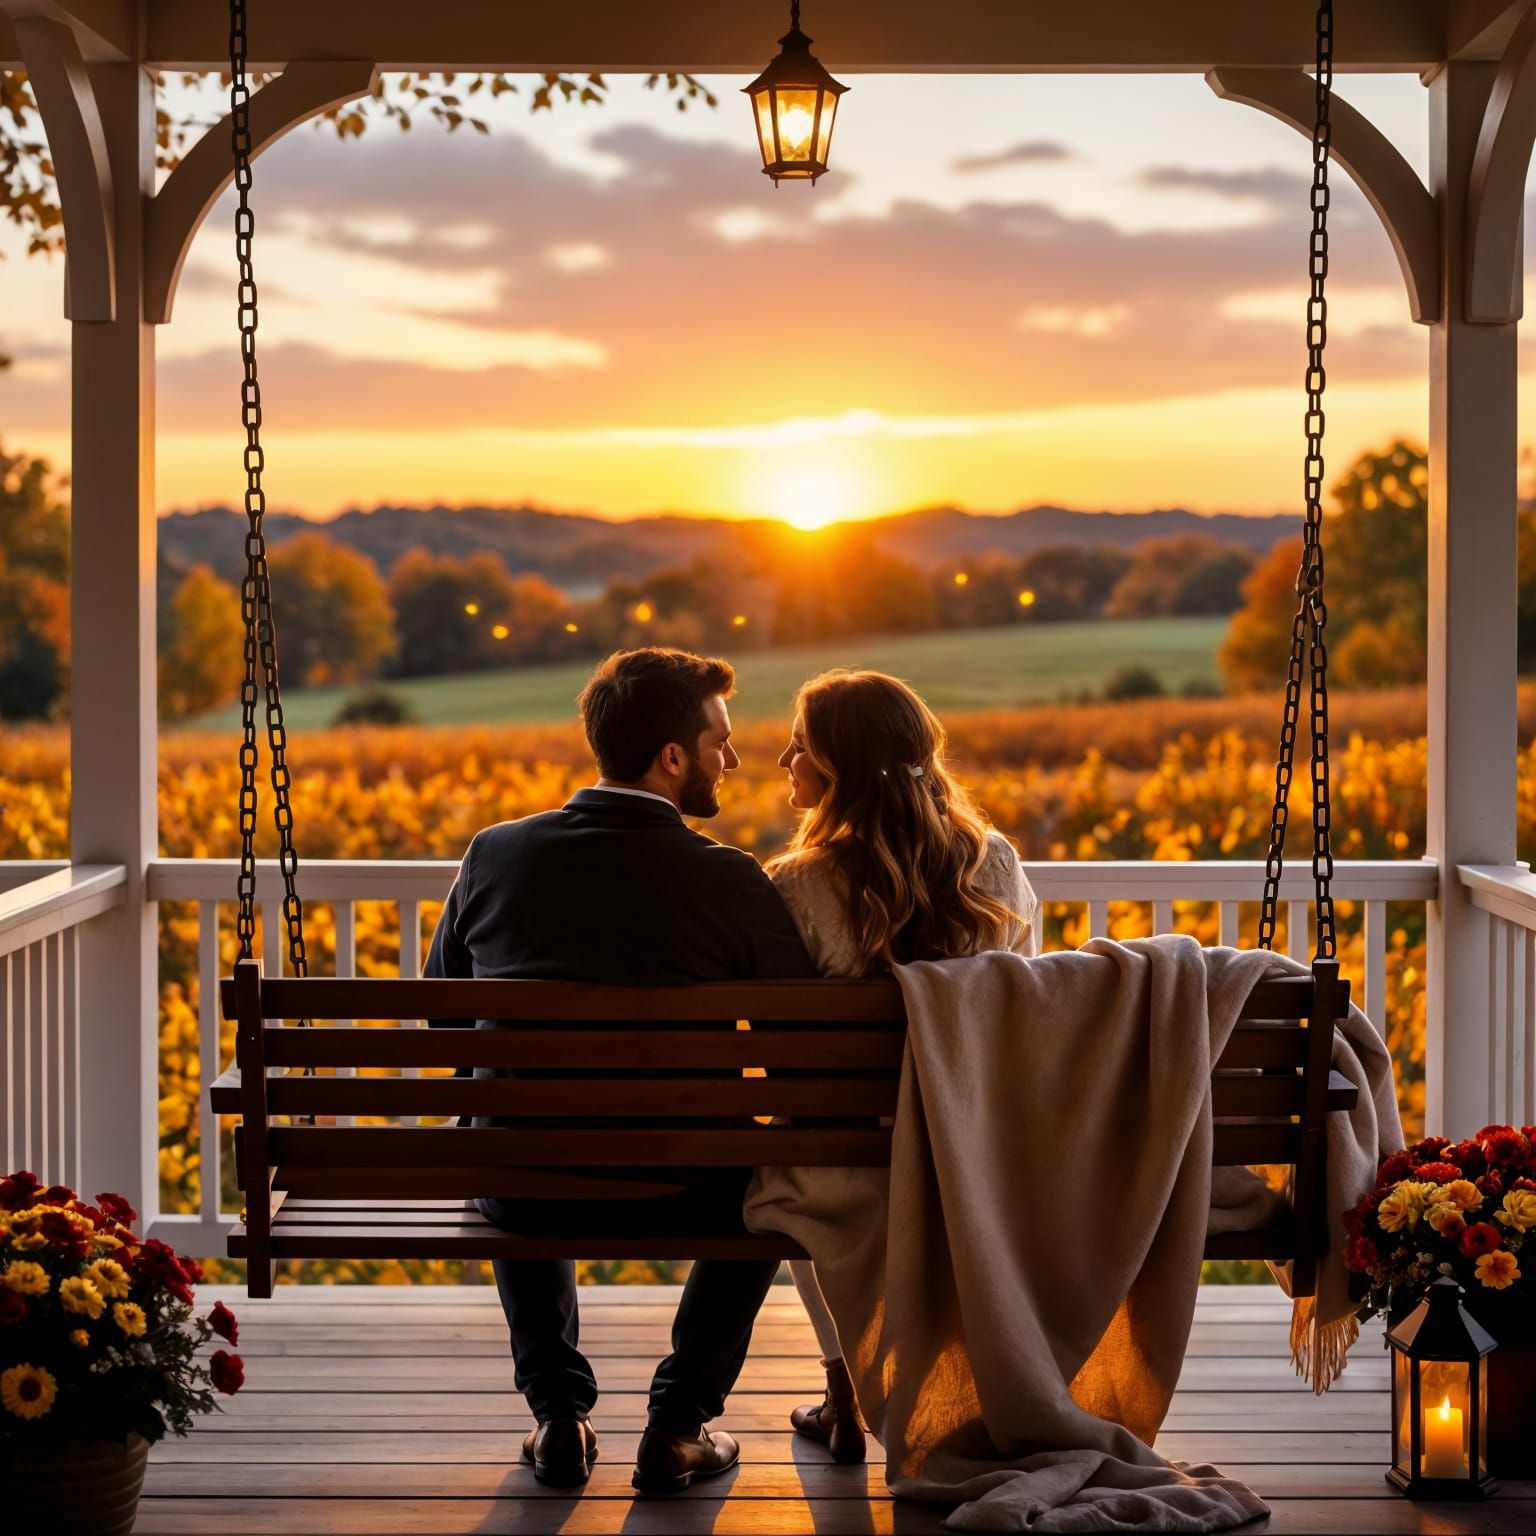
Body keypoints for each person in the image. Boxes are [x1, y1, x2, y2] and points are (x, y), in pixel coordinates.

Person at [424, 647, 819, 1495]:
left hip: (523, 1182)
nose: (732, 758)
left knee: (513, 1138)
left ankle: (558, 1418)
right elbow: (802, 1040)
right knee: (768, 1194)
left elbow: (444, 1021)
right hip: (686, 1184)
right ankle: (678, 1426)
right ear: (671, 757)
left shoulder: (494, 856)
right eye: (719, 740)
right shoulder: (729, 879)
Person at [763, 668, 1041, 1464]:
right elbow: (1031, 1006)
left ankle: (844, 1387)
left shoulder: (795, 886)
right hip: (972, 1152)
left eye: (801, 745)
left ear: (840, 769)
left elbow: (778, 1046)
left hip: (839, 1165)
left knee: (787, 1173)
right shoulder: (996, 868)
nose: (785, 757)